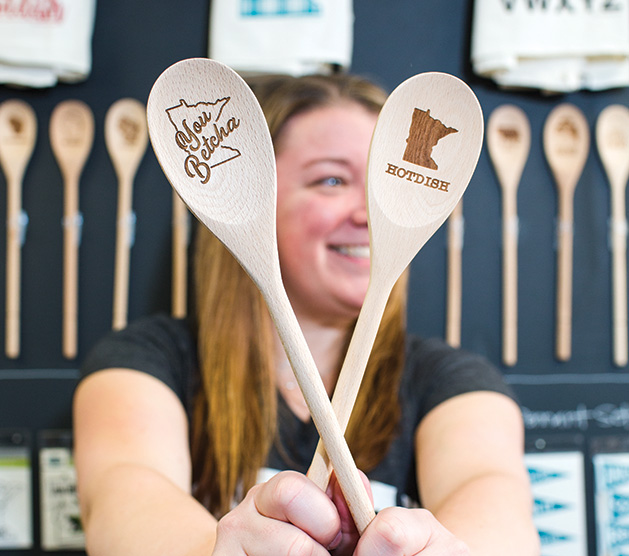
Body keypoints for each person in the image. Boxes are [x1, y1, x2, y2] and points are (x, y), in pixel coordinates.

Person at [73, 73, 539, 556]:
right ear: (258, 196)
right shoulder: (146, 362)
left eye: (383, 180)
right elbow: (123, 503)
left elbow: (496, 502)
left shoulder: (450, 380)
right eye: (332, 180)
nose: (368, 213)